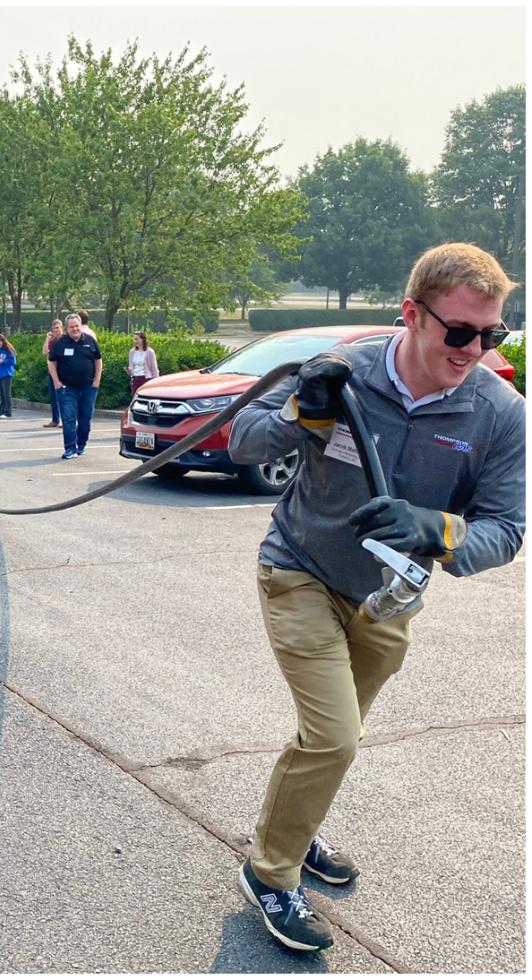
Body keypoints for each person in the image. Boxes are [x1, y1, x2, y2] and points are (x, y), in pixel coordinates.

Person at [227, 242, 526, 953]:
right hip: (300, 569)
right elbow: (242, 438)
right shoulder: (346, 373)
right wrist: (303, 411)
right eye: (459, 332)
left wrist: (439, 529)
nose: (474, 349)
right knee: (334, 736)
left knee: (329, 744)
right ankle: (270, 875)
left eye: (493, 335)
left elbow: (508, 529)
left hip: (391, 598)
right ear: (411, 315)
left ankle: (296, 830)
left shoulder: (499, 412)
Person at [47, 313, 102, 459]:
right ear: (67, 328)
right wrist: (57, 382)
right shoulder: (60, 343)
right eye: (71, 327)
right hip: (67, 389)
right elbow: (51, 361)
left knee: (85, 420)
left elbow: (98, 360)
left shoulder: (90, 341)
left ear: (80, 326)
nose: (74, 329)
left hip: (88, 388)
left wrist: (96, 381)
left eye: (76, 326)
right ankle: (70, 448)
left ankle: (81, 444)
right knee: (69, 419)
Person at [41, 321, 63, 427]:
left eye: (57, 328)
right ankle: (55, 420)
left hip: (63, 372)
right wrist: (47, 339)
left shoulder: (65, 339)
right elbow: (45, 352)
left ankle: (65, 420)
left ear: (61, 328)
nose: (56, 330)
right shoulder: (52, 340)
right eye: (54, 328)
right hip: (52, 372)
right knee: (53, 396)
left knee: (63, 396)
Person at [126, 330, 159, 395]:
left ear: (142, 339)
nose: (135, 341)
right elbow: (131, 366)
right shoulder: (132, 352)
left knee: (145, 397)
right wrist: (129, 370)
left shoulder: (150, 352)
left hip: (146, 379)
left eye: (137, 339)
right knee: (135, 397)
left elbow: (154, 368)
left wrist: (156, 382)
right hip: (135, 379)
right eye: (134, 339)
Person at [0, 335, 16, 418]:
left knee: (6, 394)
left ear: (3, 341)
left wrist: (3, 361)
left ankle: (8, 412)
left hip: (7, 374)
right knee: (1, 394)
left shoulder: (9, 350)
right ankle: (1, 411)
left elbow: (12, 362)